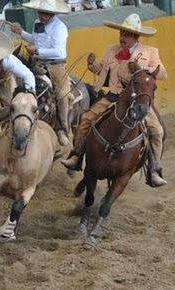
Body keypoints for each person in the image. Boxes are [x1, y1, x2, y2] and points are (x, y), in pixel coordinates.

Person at [61, 14, 168, 187]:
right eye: (121, 33)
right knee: (86, 119)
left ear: (135, 36)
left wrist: (141, 69)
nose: (122, 37)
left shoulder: (150, 52)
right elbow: (103, 70)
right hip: (114, 96)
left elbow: (162, 73)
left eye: (126, 34)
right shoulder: (112, 50)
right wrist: (92, 65)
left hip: (138, 100)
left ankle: (154, 169)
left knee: (157, 131)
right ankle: (77, 155)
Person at [10, 0, 73, 146]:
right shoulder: (37, 22)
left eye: (46, 14)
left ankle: (62, 127)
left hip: (55, 65)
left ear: (53, 13)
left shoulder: (60, 28)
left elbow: (59, 51)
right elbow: (35, 39)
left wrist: (38, 50)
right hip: (37, 63)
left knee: (62, 94)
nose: (43, 16)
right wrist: (21, 32)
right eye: (41, 13)